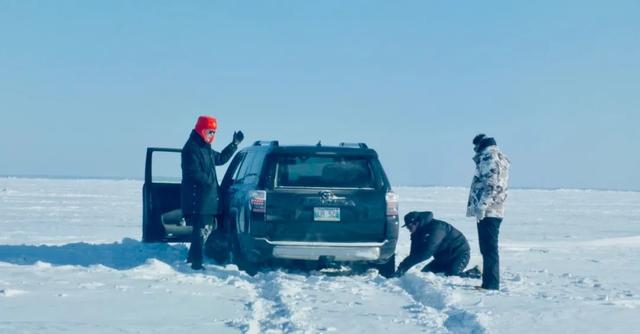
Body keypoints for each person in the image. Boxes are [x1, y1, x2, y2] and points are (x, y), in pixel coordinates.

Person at [181, 115, 244, 270]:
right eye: (209, 132)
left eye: (214, 132)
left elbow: (220, 159)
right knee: (200, 231)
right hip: (198, 198)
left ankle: (192, 258)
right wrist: (210, 184)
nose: (212, 135)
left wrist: (234, 145)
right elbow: (193, 173)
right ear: (201, 130)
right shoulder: (191, 149)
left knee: (203, 230)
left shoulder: (205, 148)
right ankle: (196, 264)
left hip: (208, 198)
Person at [466, 134, 510, 290]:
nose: (474, 150)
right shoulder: (500, 158)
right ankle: (489, 282)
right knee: (489, 248)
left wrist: (481, 207)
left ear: (480, 145)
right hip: (496, 209)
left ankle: (491, 284)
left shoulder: (488, 158)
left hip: (489, 211)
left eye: (475, 147)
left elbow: (491, 186)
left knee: (488, 248)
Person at [395, 211, 479, 278]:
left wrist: (403, 268)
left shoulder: (437, 228)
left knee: (453, 275)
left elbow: (427, 252)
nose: (409, 229)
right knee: (425, 274)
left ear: (416, 222)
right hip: (442, 259)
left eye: (409, 227)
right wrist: (401, 268)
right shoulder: (417, 232)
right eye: (407, 228)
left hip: (459, 254)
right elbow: (414, 254)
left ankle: (475, 272)